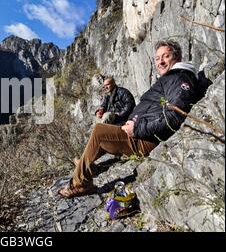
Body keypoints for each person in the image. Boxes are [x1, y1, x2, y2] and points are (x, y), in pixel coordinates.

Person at [58, 39, 200, 198]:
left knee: (100, 131)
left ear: (177, 56)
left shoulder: (179, 78)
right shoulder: (170, 78)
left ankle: (80, 184)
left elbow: (175, 116)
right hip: (139, 132)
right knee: (100, 132)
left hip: (145, 139)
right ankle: (85, 166)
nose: (160, 62)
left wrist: (136, 127)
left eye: (165, 56)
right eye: (158, 58)